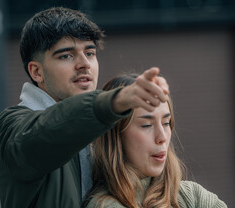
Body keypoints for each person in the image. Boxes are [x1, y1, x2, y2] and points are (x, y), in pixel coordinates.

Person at [0, 7, 169, 208]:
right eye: (66, 56)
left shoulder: (101, 126)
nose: (84, 64)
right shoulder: (12, 126)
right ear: (36, 72)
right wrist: (114, 101)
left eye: (90, 53)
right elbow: (48, 131)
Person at [83, 74, 227, 208]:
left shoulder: (191, 195)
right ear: (116, 136)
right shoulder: (104, 205)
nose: (162, 137)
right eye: (147, 125)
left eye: (166, 123)